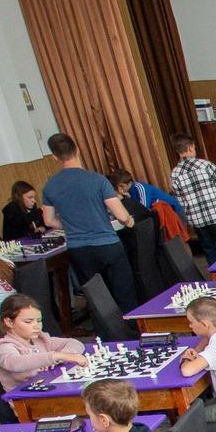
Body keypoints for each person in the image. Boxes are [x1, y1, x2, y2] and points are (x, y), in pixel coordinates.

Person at [39, 133, 137, 317]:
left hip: (79, 249)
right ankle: (133, 329)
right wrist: (129, 221)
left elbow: (49, 220)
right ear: (77, 149)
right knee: (125, 294)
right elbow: (121, 215)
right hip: (107, 245)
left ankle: (105, 332)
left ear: (54, 156)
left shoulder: (50, 186)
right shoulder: (97, 180)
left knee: (96, 298)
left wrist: (71, 225)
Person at [0, 294, 88, 396]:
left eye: (39, 321)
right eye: (28, 321)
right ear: (9, 322)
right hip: (26, 399)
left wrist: (64, 355)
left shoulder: (40, 339)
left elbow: (75, 343)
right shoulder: (3, 347)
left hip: (52, 390)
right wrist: (55, 356)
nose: (37, 326)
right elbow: (14, 362)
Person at [168, 134, 216, 261]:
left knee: (209, 250)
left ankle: (215, 272)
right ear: (190, 147)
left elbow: (181, 200)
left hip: (197, 220)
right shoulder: (204, 165)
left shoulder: (175, 173)